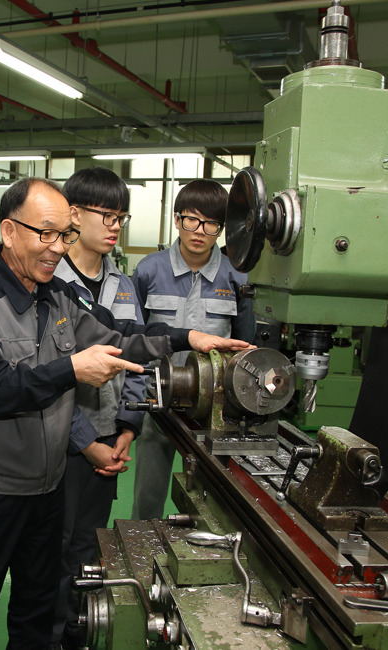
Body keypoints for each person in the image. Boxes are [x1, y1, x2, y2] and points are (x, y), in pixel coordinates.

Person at [0, 177, 252, 650]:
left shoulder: (54, 298)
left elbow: (118, 335)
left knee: (38, 608)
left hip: (48, 486)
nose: (56, 248)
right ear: (9, 229)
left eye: (63, 235)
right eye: (46, 233)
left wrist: (188, 339)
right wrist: (71, 370)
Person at [51, 167, 146, 649]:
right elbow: (46, 374)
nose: (115, 226)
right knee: (54, 550)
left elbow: (136, 363)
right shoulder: (50, 281)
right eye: (106, 215)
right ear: (74, 214)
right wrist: (85, 441)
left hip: (109, 443)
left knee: (90, 549)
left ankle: (78, 634)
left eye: (121, 217)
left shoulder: (124, 285)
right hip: (62, 447)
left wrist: (128, 427)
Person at [130, 179, 256, 521]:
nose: (200, 231)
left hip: (213, 409)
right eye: (191, 220)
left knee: (210, 500)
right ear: (177, 219)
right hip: (158, 402)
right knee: (148, 494)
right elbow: (133, 338)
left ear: (223, 229)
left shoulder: (237, 277)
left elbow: (246, 348)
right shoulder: (148, 271)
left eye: (211, 223)